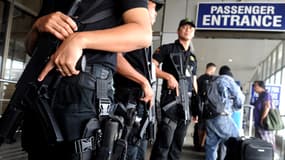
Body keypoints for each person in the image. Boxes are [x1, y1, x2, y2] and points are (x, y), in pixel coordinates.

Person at [23, 0, 152, 160]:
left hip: (84, 90)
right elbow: (30, 48)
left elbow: (143, 33)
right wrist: (38, 25)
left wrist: (80, 40)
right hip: (41, 88)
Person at [113, 0, 164, 160]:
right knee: (128, 149)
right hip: (129, 99)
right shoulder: (129, 30)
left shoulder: (145, 38)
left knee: (140, 148)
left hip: (142, 102)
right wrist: (143, 81)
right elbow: (115, 57)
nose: (155, 13)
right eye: (152, 7)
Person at [150, 18, 198, 160]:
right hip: (170, 100)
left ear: (194, 33)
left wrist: (196, 107)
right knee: (164, 141)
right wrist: (167, 76)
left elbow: (194, 81)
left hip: (187, 104)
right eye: (184, 27)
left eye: (191, 28)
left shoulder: (193, 57)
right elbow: (151, 67)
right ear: (178, 31)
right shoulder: (166, 49)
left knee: (177, 144)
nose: (188, 29)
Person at [204, 65, 244, 160]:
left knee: (211, 147)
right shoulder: (228, 80)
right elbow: (240, 98)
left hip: (209, 117)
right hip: (222, 117)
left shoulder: (213, 81)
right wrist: (233, 109)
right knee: (236, 141)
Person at [194, 62, 216, 151]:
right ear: (212, 69)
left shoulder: (199, 79)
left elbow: (195, 93)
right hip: (208, 107)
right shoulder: (212, 80)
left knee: (200, 126)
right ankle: (202, 145)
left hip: (199, 106)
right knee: (206, 127)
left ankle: (198, 144)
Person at [252, 80, 275, 149]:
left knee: (266, 142)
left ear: (260, 86)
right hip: (258, 124)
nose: (254, 88)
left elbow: (267, 107)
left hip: (264, 124)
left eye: (255, 86)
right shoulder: (260, 96)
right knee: (259, 143)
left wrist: (262, 119)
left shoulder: (266, 95)